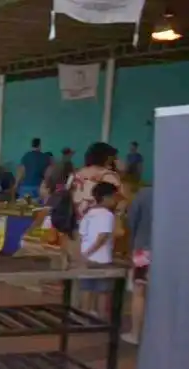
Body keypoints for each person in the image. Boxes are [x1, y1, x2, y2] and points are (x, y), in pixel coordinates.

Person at [78, 181, 119, 318]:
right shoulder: (107, 215)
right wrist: (91, 251)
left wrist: (84, 254)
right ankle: (101, 318)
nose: (115, 200)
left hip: (86, 258)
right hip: (102, 258)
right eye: (114, 197)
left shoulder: (88, 213)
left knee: (86, 288)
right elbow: (103, 236)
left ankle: (84, 315)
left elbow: (81, 234)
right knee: (103, 291)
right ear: (106, 198)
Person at [123, 184, 153, 345]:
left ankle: (135, 334)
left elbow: (131, 221)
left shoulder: (144, 194)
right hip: (170, 253)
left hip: (143, 250)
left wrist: (131, 245)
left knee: (139, 292)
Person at [70, 142, 121, 217]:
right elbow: (119, 202)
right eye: (114, 158)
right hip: (99, 221)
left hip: (74, 219)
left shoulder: (76, 175)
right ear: (108, 158)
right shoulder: (109, 176)